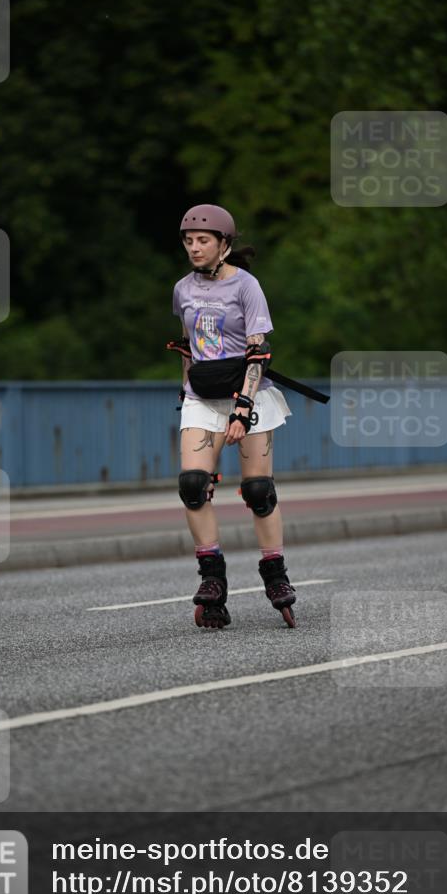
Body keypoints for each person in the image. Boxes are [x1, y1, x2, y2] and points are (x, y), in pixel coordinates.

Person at [168, 203, 297, 629]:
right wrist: (186, 395)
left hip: (250, 394)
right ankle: (213, 578)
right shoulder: (182, 289)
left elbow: (258, 352)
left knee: (258, 490)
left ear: (224, 244)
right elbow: (188, 346)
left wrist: (242, 409)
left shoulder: (247, 287)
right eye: (189, 241)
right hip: (203, 397)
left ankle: (275, 574)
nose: (194, 247)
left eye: (203, 240)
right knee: (192, 484)